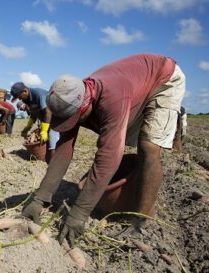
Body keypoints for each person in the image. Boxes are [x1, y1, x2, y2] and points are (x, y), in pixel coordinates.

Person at [19, 53, 186, 246]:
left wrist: (79, 212)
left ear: (86, 105)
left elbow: (108, 159)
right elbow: (63, 152)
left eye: (74, 119)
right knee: (134, 137)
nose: (71, 124)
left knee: (148, 147)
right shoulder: (71, 95)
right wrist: (40, 199)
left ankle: (141, 220)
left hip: (163, 79)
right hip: (135, 86)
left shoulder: (112, 98)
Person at [10, 82, 60, 150]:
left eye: (19, 96)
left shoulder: (38, 94)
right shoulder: (26, 99)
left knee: (53, 137)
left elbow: (48, 112)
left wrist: (44, 130)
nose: (19, 99)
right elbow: (34, 114)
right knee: (44, 139)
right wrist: (27, 127)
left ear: (25, 91)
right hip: (46, 121)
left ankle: (55, 154)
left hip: (55, 117)